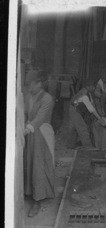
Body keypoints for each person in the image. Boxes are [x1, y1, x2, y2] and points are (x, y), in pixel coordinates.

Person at [23, 70, 56, 217]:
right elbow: (24, 113)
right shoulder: (28, 95)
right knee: (29, 164)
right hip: (30, 133)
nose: (29, 88)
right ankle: (29, 193)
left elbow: (40, 118)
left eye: (31, 85)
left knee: (38, 166)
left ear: (39, 83)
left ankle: (38, 199)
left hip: (42, 133)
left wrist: (25, 129)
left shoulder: (47, 98)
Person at [67, 80, 106, 150]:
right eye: (93, 87)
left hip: (74, 108)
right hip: (74, 110)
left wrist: (99, 115)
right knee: (83, 127)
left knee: (73, 127)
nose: (94, 88)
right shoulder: (84, 95)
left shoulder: (88, 92)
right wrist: (100, 119)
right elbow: (91, 109)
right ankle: (87, 146)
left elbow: (92, 103)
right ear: (88, 86)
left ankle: (70, 145)